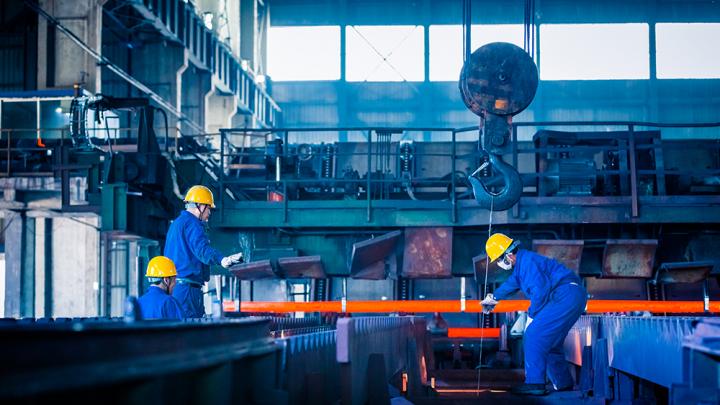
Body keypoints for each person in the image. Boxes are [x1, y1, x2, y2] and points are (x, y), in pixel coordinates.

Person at [480, 233, 587, 396]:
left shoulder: (527, 263)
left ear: (508, 255)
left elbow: (540, 292)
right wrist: (493, 298)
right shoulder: (523, 265)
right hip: (571, 295)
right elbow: (511, 284)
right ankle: (563, 383)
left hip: (564, 295)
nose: (500, 264)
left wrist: (532, 316)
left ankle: (534, 383)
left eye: (500, 259)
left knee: (533, 335)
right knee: (551, 343)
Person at [165, 185, 244, 318]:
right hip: (187, 290)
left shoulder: (177, 223)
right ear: (199, 206)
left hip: (178, 288)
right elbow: (201, 249)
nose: (209, 212)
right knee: (191, 326)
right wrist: (222, 259)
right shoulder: (192, 223)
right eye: (208, 208)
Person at [138, 256, 184, 320]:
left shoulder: (139, 302)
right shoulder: (169, 302)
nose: (175, 284)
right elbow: (181, 325)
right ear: (166, 280)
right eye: (174, 280)